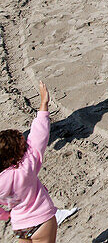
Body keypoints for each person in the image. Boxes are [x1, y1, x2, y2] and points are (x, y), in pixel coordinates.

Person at [0, 81, 58, 243]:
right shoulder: (26, 167)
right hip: (41, 219)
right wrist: (43, 104)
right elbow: (39, 136)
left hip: (19, 225)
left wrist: (6, 215)